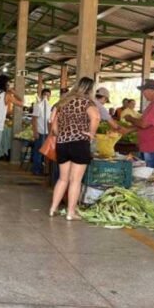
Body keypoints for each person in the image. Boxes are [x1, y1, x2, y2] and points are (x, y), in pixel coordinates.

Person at [48, 77, 100, 220]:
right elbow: (96, 117)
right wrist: (91, 133)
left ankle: (53, 208)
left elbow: (52, 122)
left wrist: (60, 134)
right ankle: (70, 212)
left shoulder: (62, 102)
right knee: (75, 180)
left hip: (62, 143)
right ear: (90, 89)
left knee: (63, 179)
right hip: (79, 143)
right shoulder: (87, 102)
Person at [124, 79, 154, 202]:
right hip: (148, 145)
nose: (143, 94)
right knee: (147, 174)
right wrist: (127, 130)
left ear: (151, 91)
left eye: (144, 91)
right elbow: (144, 124)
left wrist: (130, 118)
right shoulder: (152, 105)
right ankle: (149, 200)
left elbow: (143, 124)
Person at [31, 88, 52, 176]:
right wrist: (35, 132)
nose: (46, 97)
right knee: (38, 152)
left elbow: (49, 120)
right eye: (45, 95)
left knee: (45, 152)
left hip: (47, 132)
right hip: (40, 132)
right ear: (42, 95)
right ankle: (36, 170)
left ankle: (44, 169)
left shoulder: (50, 106)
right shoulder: (38, 106)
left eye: (48, 95)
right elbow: (34, 119)